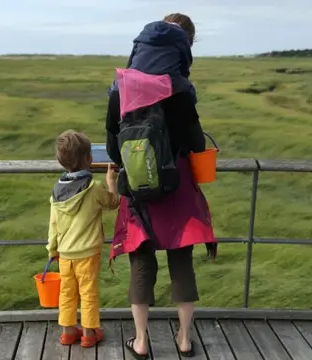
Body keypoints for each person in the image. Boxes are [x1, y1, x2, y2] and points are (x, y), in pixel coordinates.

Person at [105, 14, 217, 359]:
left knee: (141, 264)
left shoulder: (121, 86)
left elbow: (112, 147)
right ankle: (184, 340)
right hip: (178, 185)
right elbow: (196, 142)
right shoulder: (181, 88)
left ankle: (140, 342)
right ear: (184, 47)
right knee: (181, 260)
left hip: (138, 186)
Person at [46, 130, 120, 348]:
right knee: (88, 293)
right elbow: (114, 202)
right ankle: (89, 333)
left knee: (67, 293)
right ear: (90, 159)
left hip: (65, 254)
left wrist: (53, 250)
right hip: (88, 254)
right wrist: (111, 181)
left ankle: (68, 332)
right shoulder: (94, 188)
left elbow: (53, 226)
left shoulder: (57, 191)